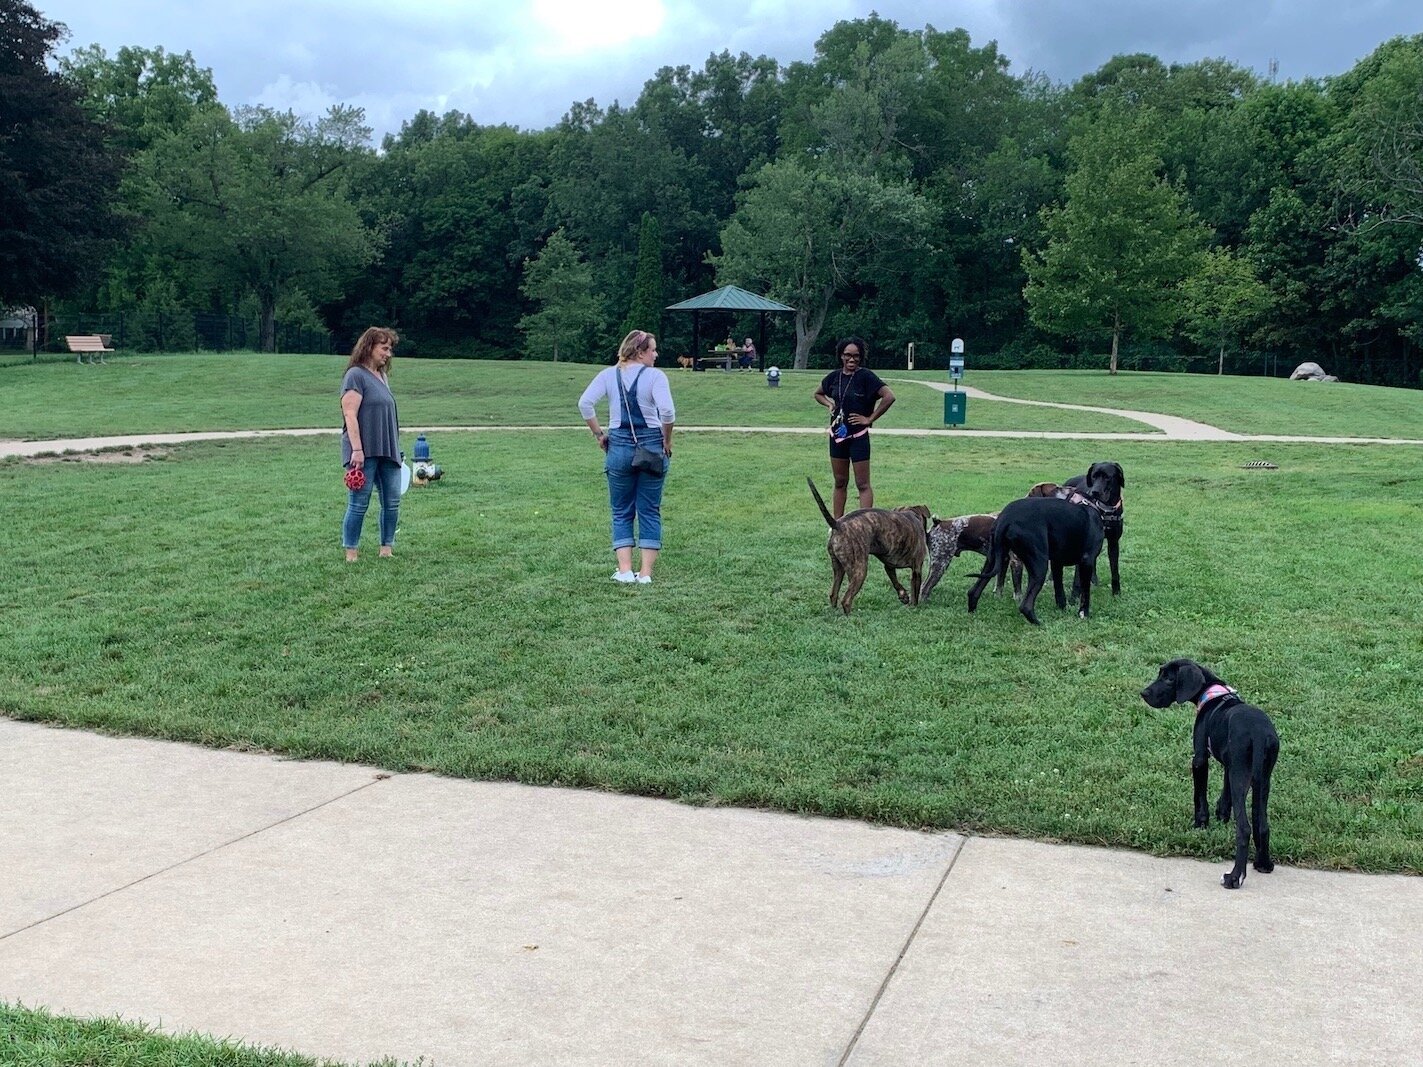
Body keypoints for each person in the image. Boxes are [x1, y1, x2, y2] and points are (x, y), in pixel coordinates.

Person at [578, 329, 676, 584]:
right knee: (649, 509)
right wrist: (667, 440)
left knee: (621, 509)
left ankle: (624, 571)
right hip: (652, 445)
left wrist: (599, 435)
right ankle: (645, 574)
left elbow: (584, 404)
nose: (656, 354)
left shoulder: (608, 374)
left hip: (619, 445)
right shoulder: (656, 376)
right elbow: (667, 411)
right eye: (653, 349)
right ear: (640, 351)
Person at [812, 336, 895, 518]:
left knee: (862, 484)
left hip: (858, 437)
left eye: (856, 356)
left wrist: (869, 418)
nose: (851, 359)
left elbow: (889, 397)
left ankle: (864, 525)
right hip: (837, 437)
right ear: (841, 356)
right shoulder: (834, 377)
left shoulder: (866, 377)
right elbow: (818, 393)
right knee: (840, 482)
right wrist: (829, 404)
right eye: (847, 355)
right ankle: (837, 525)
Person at [339, 327, 402, 562]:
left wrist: (396, 447)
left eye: (390, 349)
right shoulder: (355, 375)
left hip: (388, 450)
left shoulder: (382, 377)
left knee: (392, 502)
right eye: (384, 348)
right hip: (363, 452)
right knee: (358, 503)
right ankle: (351, 552)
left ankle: (386, 548)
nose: (388, 354)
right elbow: (350, 414)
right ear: (369, 347)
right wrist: (357, 449)